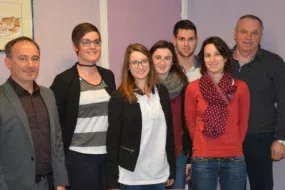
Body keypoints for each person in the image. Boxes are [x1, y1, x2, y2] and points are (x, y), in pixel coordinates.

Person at [50, 23, 116, 190]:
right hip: (79, 159)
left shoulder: (108, 76)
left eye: (96, 42)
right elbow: (55, 126)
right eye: (86, 42)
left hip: (107, 157)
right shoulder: (64, 81)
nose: (92, 46)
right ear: (75, 46)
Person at [0, 36, 68, 190]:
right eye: (23, 59)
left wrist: (61, 182)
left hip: (48, 183)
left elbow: (57, 142)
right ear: (8, 62)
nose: (30, 65)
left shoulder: (48, 95)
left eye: (35, 59)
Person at [107, 43, 175, 190]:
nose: (140, 66)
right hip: (132, 176)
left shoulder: (162, 92)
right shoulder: (120, 97)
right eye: (135, 62)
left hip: (159, 173)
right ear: (128, 67)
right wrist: (112, 180)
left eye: (144, 61)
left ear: (150, 64)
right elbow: (113, 141)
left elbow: (169, 134)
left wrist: (172, 169)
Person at [185, 36, 250, 190]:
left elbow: (243, 123)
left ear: (226, 58)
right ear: (203, 59)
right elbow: (189, 122)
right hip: (203, 158)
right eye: (208, 55)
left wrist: (232, 144)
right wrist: (201, 144)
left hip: (234, 158)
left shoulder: (241, 87)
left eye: (217, 54)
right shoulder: (193, 88)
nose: (212, 59)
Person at [232, 14, 285, 190]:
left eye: (254, 33)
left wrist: (281, 140)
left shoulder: (274, 62)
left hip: (261, 138)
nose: (248, 37)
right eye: (244, 32)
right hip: (228, 139)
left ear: (260, 36)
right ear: (235, 34)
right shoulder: (222, 62)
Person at [149, 40, 191, 190]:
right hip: (150, 157)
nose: (162, 62)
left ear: (173, 61)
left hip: (178, 154)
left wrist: (189, 157)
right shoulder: (142, 87)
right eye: (158, 57)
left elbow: (189, 123)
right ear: (150, 60)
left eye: (167, 58)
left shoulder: (184, 86)